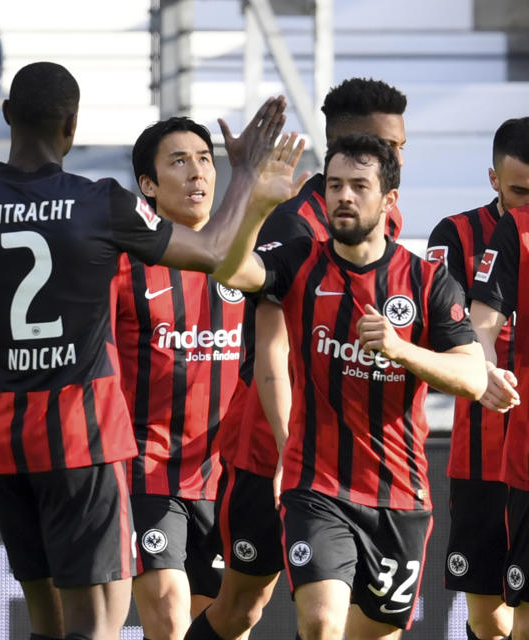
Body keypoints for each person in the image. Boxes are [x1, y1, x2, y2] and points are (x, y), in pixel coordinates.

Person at [0, 61, 306, 640]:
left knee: (47, 617)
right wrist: (241, 173)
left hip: (4, 444)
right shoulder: (100, 203)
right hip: (80, 438)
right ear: (71, 126)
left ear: (8, 117)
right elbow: (218, 249)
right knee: (92, 622)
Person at [188, 133, 487, 640]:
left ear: (389, 199)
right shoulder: (302, 261)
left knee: (373, 632)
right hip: (316, 486)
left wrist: (401, 350)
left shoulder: (426, 281)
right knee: (322, 621)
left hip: (399, 494)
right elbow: (230, 268)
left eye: (359, 186)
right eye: (334, 185)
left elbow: (474, 378)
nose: (344, 196)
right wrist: (256, 206)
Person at [187, 77, 410, 640]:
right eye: (393, 147)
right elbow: (269, 349)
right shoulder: (292, 222)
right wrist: (293, 450)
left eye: (402, 148)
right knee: (242, 605)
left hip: (359, 461)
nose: (401, 159)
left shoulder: (383, 215)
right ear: (354, 147)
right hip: (275, 450)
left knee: (346, 621)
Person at [110, 117, 244, 640]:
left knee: (222, 624)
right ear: (148, 184)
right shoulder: (124, 265)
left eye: (205, 159)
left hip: (226, 476)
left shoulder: (247, 261)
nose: (197, 172)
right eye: (179, 161)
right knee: (168, 616)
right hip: (148, 470)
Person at [427, 116, 529, 640]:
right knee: (490, 619)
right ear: (493, 179)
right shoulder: (455, 234)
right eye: (517, 191)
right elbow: (444, 334)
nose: (526, 203)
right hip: (484, 448)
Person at [468, 118, 529, 640]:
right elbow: (481, 321)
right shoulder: (517, 229)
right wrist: (487, 368)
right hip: (518, 448)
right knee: (512, 617)